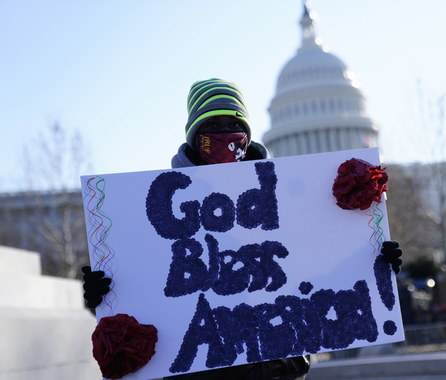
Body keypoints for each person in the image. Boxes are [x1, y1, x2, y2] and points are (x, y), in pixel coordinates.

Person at [83, 78, 403, 380]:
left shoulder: (293, 201)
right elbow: (150, 286)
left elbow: (322, 264)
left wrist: (372, 259)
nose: (225, 133)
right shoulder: (156, 212)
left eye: (235, 124)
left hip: (282, 368)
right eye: (212, 125)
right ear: (194, 136)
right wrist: (108, 294)